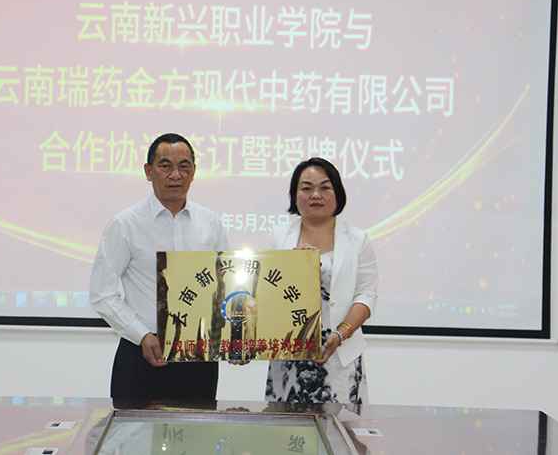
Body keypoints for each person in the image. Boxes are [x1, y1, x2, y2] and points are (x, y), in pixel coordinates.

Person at [89, 133, 230, 400]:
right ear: (148, 171)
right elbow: (101, 293)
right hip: (142, 352)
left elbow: (225, 284)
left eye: (184, 166)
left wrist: (236, 337)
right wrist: (141, 335)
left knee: (199, 427)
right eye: (165, 166)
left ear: (194, 171)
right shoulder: (125, 224)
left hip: (199, 356)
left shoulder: (210, 223)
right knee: (135, 428)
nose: (175, 175)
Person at [261, 157, 379, 404]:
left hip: (340, 354)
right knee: (285, 427)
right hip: (288, 358)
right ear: (295, 196)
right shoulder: (279, 237)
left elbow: (366, 295)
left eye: (325, 188)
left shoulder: (358, 239)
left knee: (341, 427)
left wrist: (341, 333)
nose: (316, 195)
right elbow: (263, 293)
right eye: (306, 188)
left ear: (338, 194)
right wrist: (293, 268)